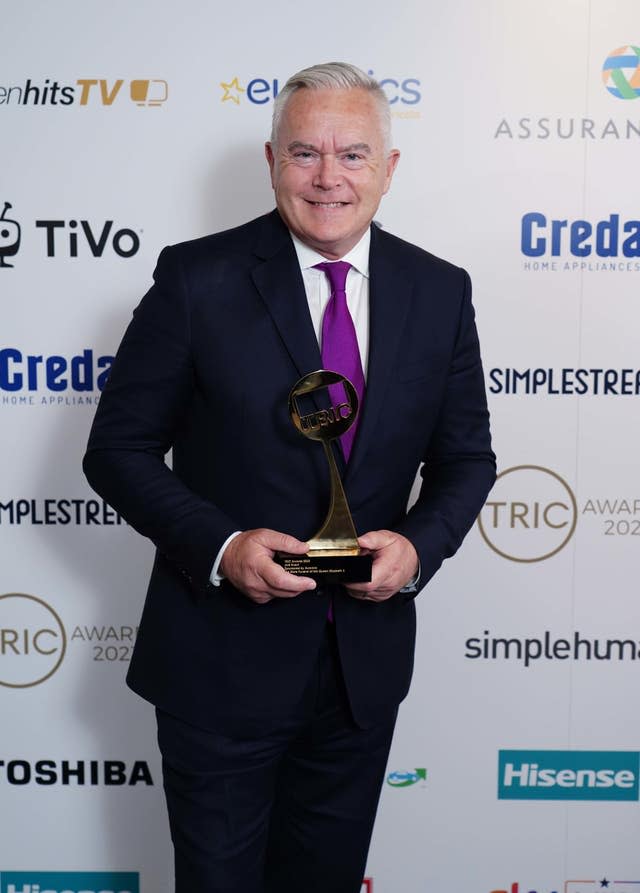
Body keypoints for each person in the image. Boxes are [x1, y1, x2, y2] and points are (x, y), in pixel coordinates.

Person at [83, 62, 496, 893]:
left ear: (389, 166)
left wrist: (418, 546)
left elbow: (467, 459)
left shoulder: (440, 291)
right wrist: (222, 543)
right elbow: (116, 450)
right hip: (220, 663)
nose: (328, 177)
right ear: (272, 160)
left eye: (351, 153)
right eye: (304, 152)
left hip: (360, 674)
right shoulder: (195, 279)